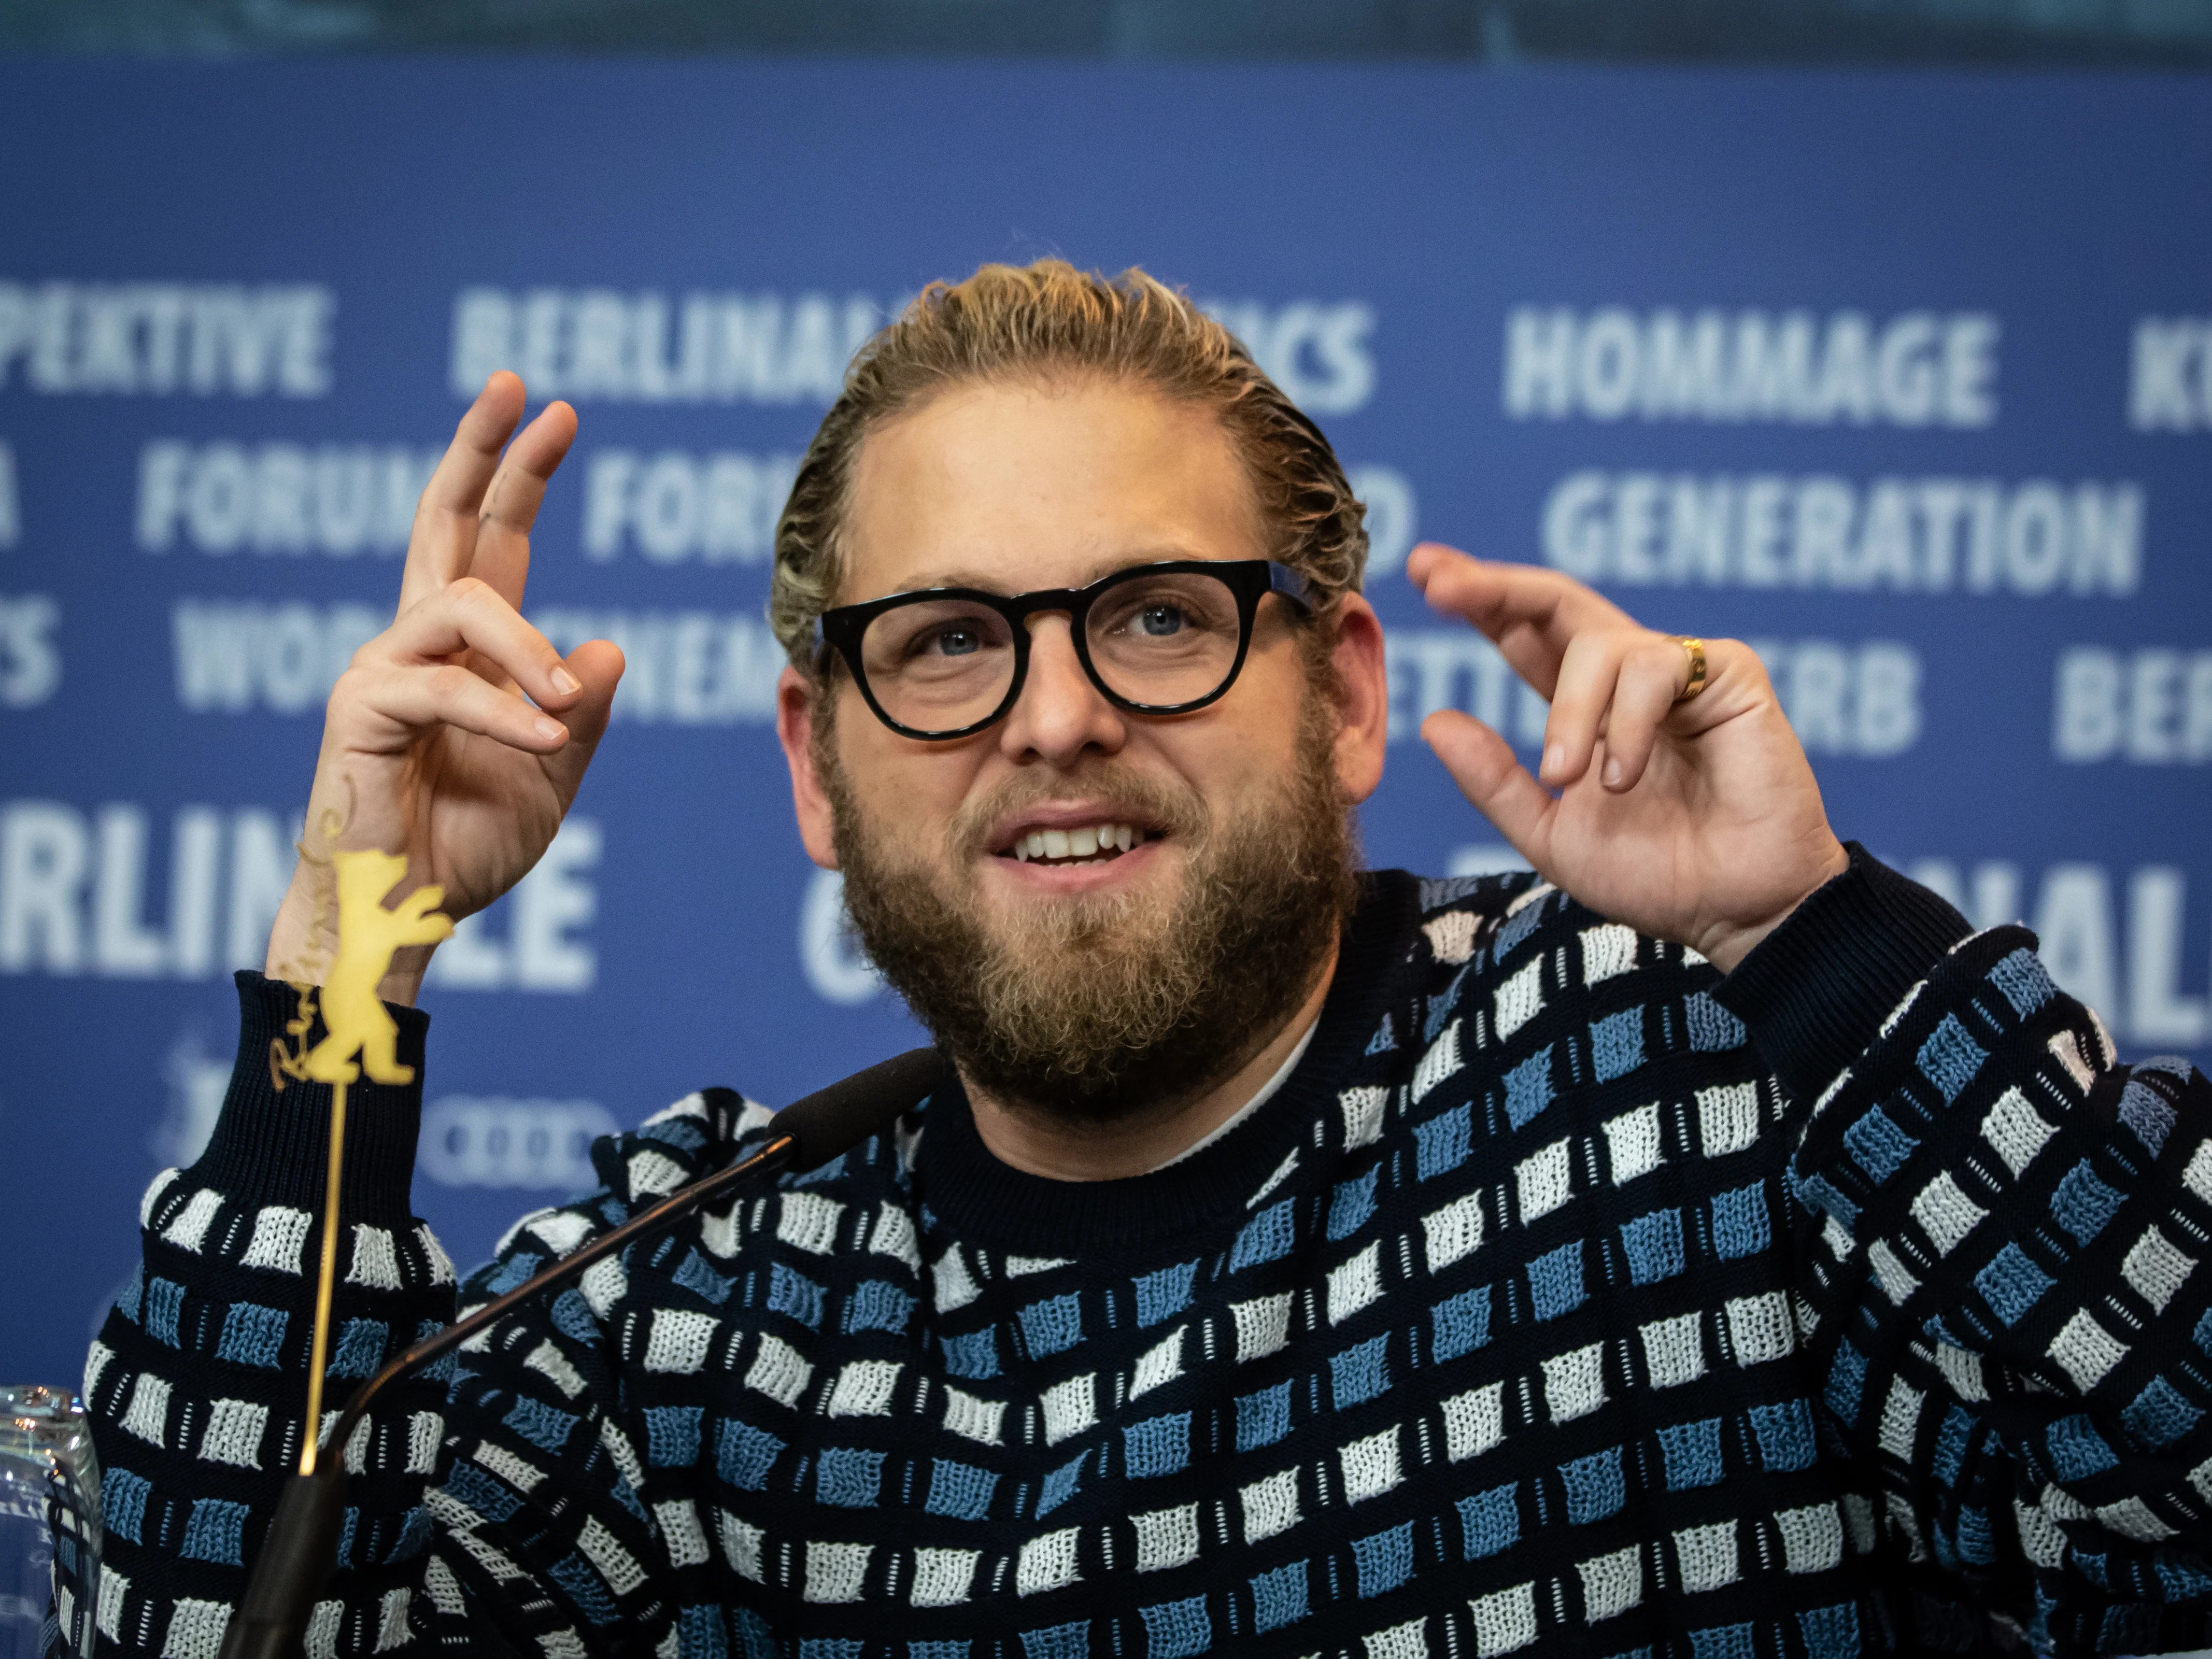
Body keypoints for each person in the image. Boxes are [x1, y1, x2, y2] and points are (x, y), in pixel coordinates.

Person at [87, 262, 2210, 1659]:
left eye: (1158, 616)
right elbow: (212, 1637)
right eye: (943, 644)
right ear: (816, 774)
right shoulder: (687, 1307)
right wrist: (350, 959)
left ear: (1344, 697)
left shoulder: (1691, 1077)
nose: (1051, 717)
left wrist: (1811, 942)